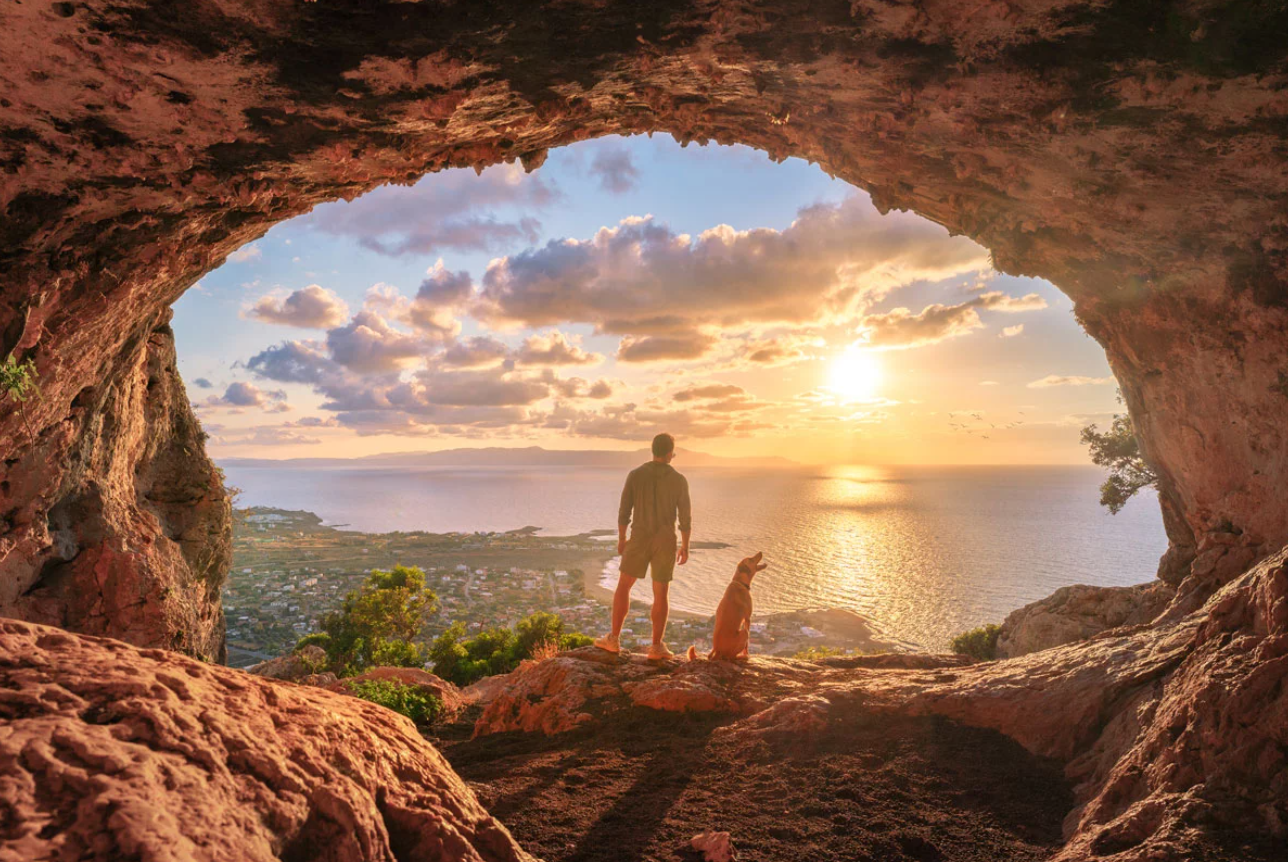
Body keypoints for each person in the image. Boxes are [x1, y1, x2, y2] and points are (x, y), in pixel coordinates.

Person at [594, 432, 691, 659]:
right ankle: (656, 647)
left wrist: (621, 539)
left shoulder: (635, 475)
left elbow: (624, 511)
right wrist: (685, 546)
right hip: (665, 540)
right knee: (661, 593)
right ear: (670, 453)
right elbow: (685, 518)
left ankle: (613, 639)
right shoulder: (679, 480)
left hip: (639, 537)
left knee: (624, 586)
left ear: (652, 450)